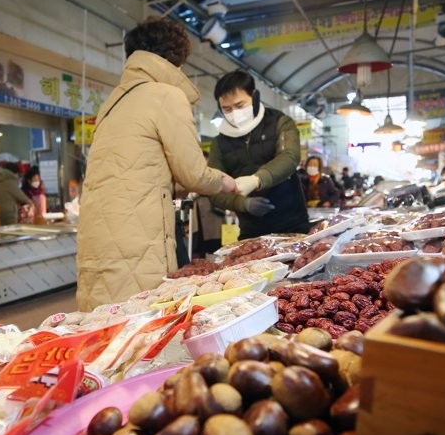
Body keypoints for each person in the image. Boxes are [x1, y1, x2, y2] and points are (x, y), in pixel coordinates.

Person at [76, 16, 236, 309]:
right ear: (176, 61)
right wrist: (224, 181)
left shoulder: (111, 102)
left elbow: (139, 167)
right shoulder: (166, 94)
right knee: (143, 324)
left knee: (103, 326)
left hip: (96, 237)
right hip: (138, 235)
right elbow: (194, 174)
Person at [207, 70, 310, 238]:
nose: (234, 113)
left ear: (254, 96)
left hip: (293, 225)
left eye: (240, 106)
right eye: (226, 109)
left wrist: (257, 180)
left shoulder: (279, 122)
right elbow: (214, 187)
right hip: (251, 231)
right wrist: (243, 203)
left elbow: (289, 157)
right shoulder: (219, 143)